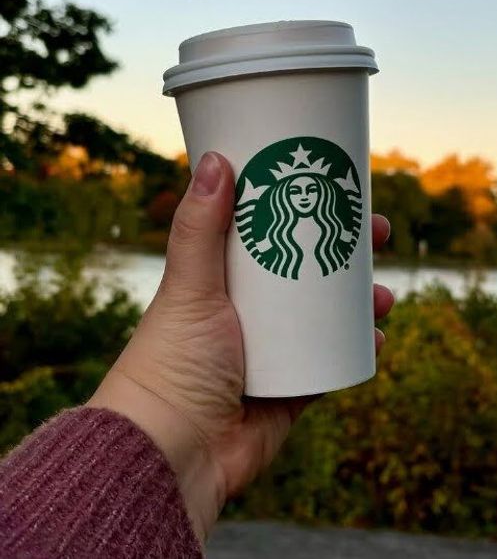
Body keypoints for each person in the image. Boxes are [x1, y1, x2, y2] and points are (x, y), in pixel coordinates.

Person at [0, 152, 394, 558]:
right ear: (280, 197)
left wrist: (172, 417)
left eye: (314, 187)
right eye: (295, 187)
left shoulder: (329, 235)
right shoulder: (277, 237)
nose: (305, 195)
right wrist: (177, 422)